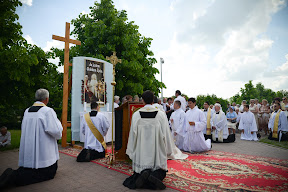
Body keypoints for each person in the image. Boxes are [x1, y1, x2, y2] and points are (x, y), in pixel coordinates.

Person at [0, 89, 63, 189]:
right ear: (46, 99)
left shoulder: (27, 110)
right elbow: (56, 131)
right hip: (44, 155)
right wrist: (58, 124)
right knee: (48, 173)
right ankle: (12, 177)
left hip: (30, 149)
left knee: (30, 169)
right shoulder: (47, 111)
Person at [123, 90, 174, 190]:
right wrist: (168, 150)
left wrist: (131, 150)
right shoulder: (161, 114)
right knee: (161, 172)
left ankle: (144, 173)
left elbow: (133, 135)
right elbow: (166, 134)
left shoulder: (136, 115)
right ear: (153, 101)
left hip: (141, 153)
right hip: (157, 152)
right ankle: (153, 176)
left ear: (142, 101)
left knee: (139, 172)